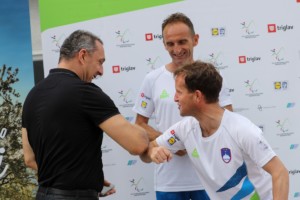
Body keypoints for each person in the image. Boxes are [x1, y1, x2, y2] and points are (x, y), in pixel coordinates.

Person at [22, 30, 149, 200]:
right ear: (82, 55)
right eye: (100, 62)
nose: (101, 71)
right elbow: (138, 144)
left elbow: (29, 159)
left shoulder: (32, 95)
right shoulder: (85, 92)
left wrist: (83, 176)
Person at [140, 60, 289, 200]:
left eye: (179, 92)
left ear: (197, 96)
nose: (175, 98)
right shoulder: (184, 129)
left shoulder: (241, 129)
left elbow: (279, 172)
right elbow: (147, 153)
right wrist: (152, 152)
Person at [133, 12, 232, 199]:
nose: (176, 49)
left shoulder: (212, 77)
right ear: (164, 45)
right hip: (169, 181)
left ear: (195, 40)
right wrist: (172, 141)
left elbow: (228, 121)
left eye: (182, 42)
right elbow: (139, 125)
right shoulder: (152, 79)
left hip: (209, 179)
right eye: (170, 44)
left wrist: (197, 141)